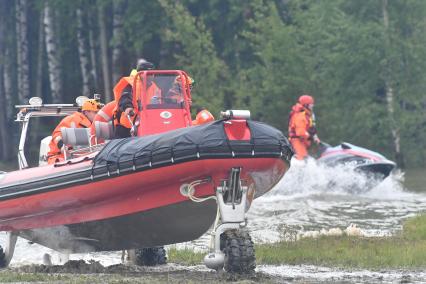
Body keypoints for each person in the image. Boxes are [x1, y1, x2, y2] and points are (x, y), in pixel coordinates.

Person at [47, 99, 100, 164]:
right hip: (61, 156)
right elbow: (57, 135)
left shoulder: (97, 125)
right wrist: (62, 146)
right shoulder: (72, 119)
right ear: (86, 112)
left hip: (82, 157)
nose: (98, 115)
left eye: (99, 113)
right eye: (95, 112)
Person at [113, 58, 155, 138]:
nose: (151, 76)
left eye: (152, 73)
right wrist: (128, 107)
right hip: (127, 127)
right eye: (148, 74)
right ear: (140, 74)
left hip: (147, 125)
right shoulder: (131, 84)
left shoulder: (155, 88)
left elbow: (160, 102)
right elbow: (125, 97)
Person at [288, 94, 320, 160]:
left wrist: (315, 137)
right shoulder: (300, 116)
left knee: (307, 159)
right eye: (310, 104)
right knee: (302, 159)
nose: (312, 105)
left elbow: (312, 128)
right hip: (297, 141)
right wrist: (310, 136)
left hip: (303, 141)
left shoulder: (308, 115)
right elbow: (300, 132)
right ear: (306, 105)